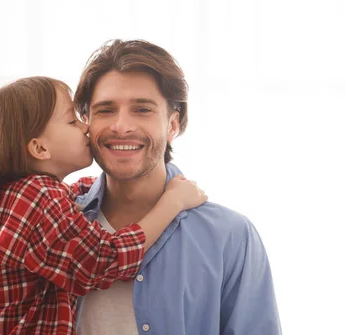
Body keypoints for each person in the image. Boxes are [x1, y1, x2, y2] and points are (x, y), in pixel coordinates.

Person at [0, 76, 207, 335]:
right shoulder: (38, 198)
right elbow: (103, 260)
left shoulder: (20, 195)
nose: (85, 127)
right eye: (72, 120)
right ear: (39, 148)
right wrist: (173, 202)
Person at [72, 39, 282, 334]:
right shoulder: (55, 224)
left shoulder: (230, 236)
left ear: (173, 125)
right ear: (86, 122)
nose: (121, 126)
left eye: (142, 109)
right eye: (105, 110)